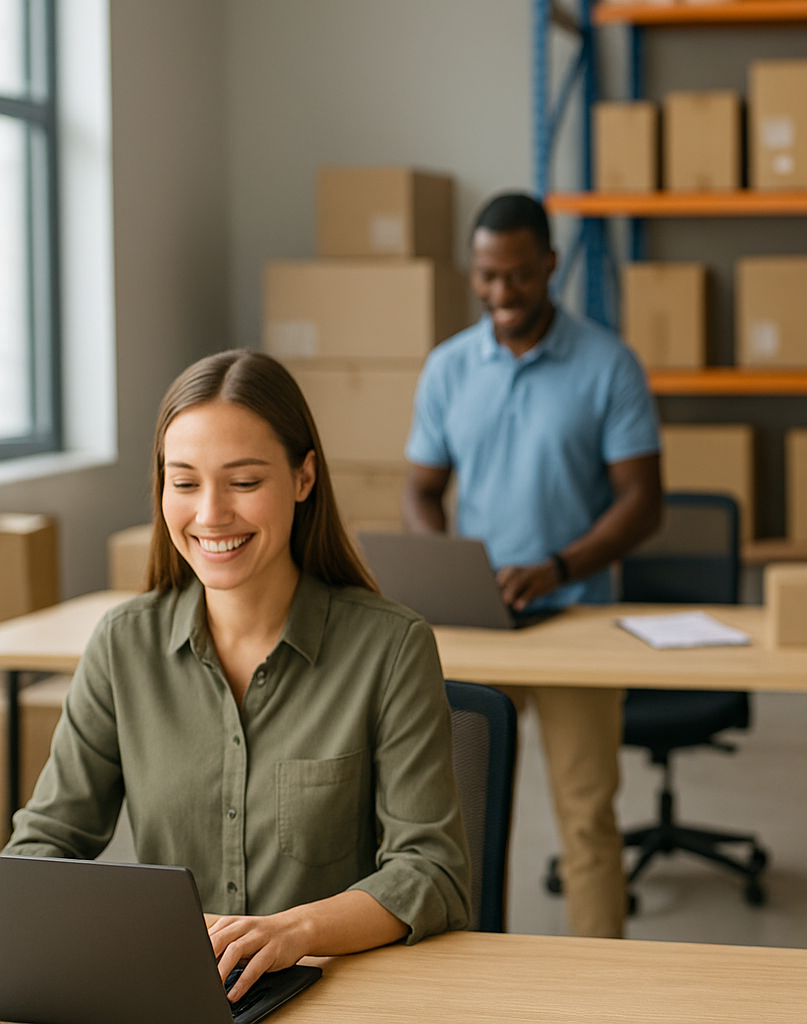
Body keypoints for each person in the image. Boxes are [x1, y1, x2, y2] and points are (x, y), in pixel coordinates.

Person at [4, 351, 472, 1003]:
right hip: (178, 997)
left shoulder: (391, 648)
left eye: (244, 482)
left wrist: (291, 930)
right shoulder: (123, 644)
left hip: (343, 993)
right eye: (185, 482)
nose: (211, 514)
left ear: (304, 477)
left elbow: (434, 874)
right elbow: (46, 844)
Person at [403, 192, 662, 938]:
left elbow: (642, 502)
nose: (501, 295)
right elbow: (421, 489)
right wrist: (443, 558)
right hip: (479, 624)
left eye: (516, 276)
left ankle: (600, 996)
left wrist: (556, 566)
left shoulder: (608, 364)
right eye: (487, 277)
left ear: (549, 265)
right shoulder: (449, 368)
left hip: (576, 618)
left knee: (586, 820)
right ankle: (469, 984)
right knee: (457, 827)